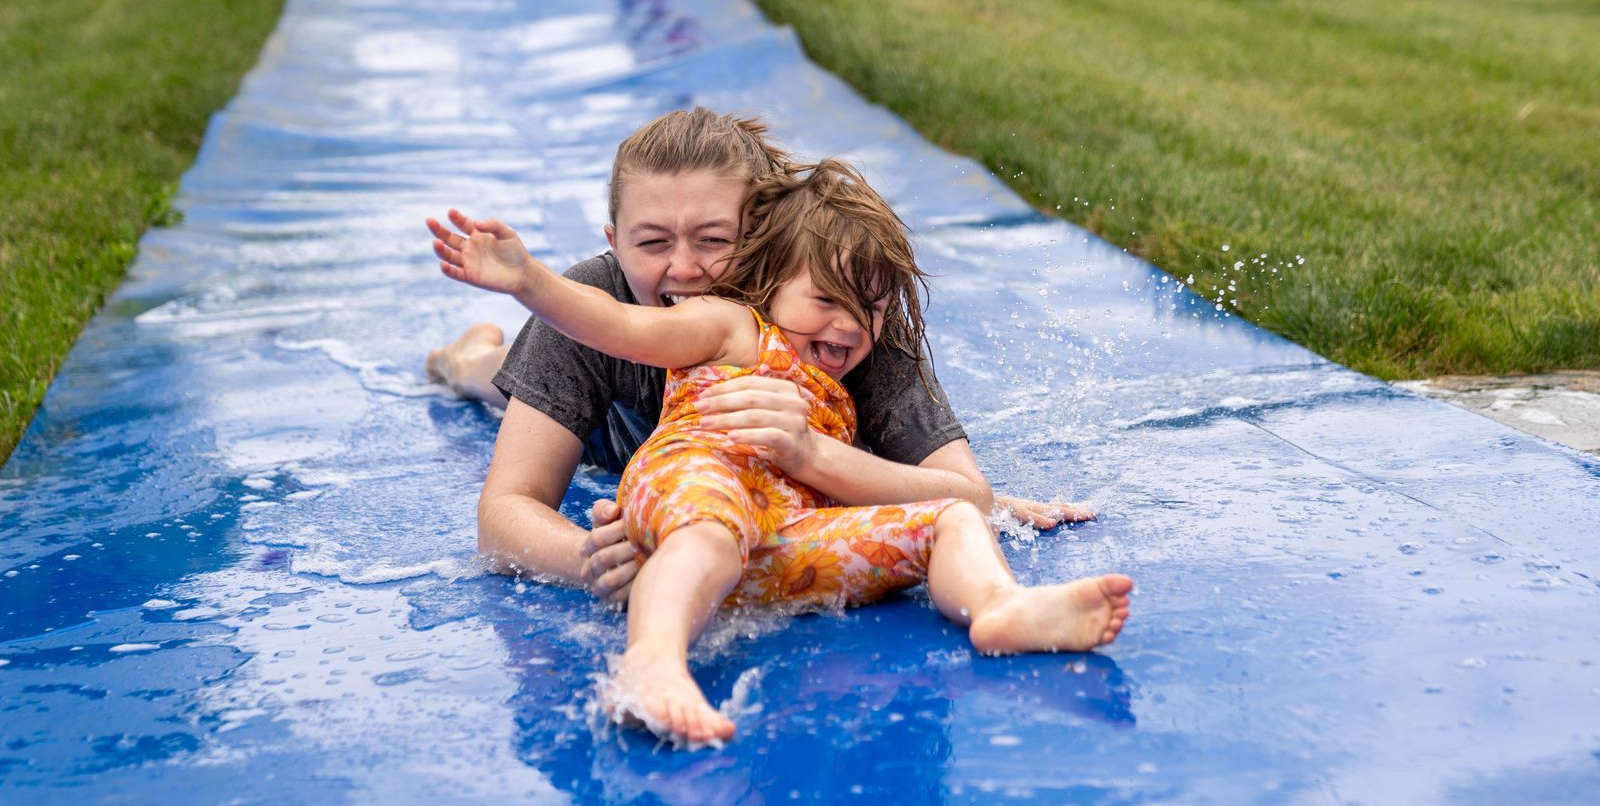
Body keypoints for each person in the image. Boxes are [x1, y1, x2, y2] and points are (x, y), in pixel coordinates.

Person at [427, 160, 1132, 744]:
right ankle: (649, 662)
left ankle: (1000, 609)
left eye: (867, 310)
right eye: (825, 299)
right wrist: (530, 282)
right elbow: (617, 327)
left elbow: (953, 491)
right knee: (697, 520)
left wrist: (950, 497)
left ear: (747, 249)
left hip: (776, 538)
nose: (847, 323)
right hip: (695, 485)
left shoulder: (856, 348)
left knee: (952, 520)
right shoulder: (730, 324)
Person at [424, 108, 1091, 609]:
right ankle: (472, 354)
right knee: (491, 377)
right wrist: (593, 557)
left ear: (766, 237)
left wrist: (826, 458)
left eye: (714, 239)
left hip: (747, 480)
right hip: (609, 435)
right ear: (614, 240)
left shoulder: (841, 316)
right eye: (651, 242)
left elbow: (958, 489)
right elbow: (505, 511)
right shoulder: (590, 303)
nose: (683, 269)